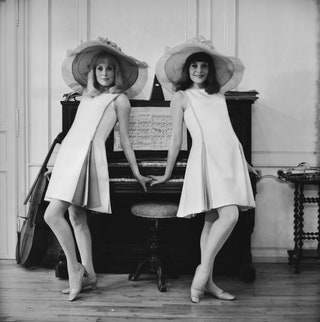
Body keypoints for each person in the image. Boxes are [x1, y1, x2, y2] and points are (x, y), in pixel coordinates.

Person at [150, 36, 261, 303]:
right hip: (207, 156)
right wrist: (166, 172)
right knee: (228, 215)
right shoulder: (181, 97)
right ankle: (204, 272)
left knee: (214, 218)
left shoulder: (218, 95)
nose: (199, 71)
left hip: (230, 157)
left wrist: (244, 161)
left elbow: (228, 131)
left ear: (209, 70)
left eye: (203, 66)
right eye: (194, 67)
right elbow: (176, 139)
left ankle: (207, 280)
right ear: (187, 71)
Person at [44, 37, 150, 301]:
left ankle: (74, 268)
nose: (104, 73)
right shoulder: (85, 97)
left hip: (87, 157)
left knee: (51, 216)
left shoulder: (119, 99)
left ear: (117, 72)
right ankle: (90, 274)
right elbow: (74, 133)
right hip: (69, 155)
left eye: (110, 68)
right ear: (92, 72)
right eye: (99, 68)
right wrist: (56, 164)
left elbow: (125, 139)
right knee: (76, 219)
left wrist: (136, 172)